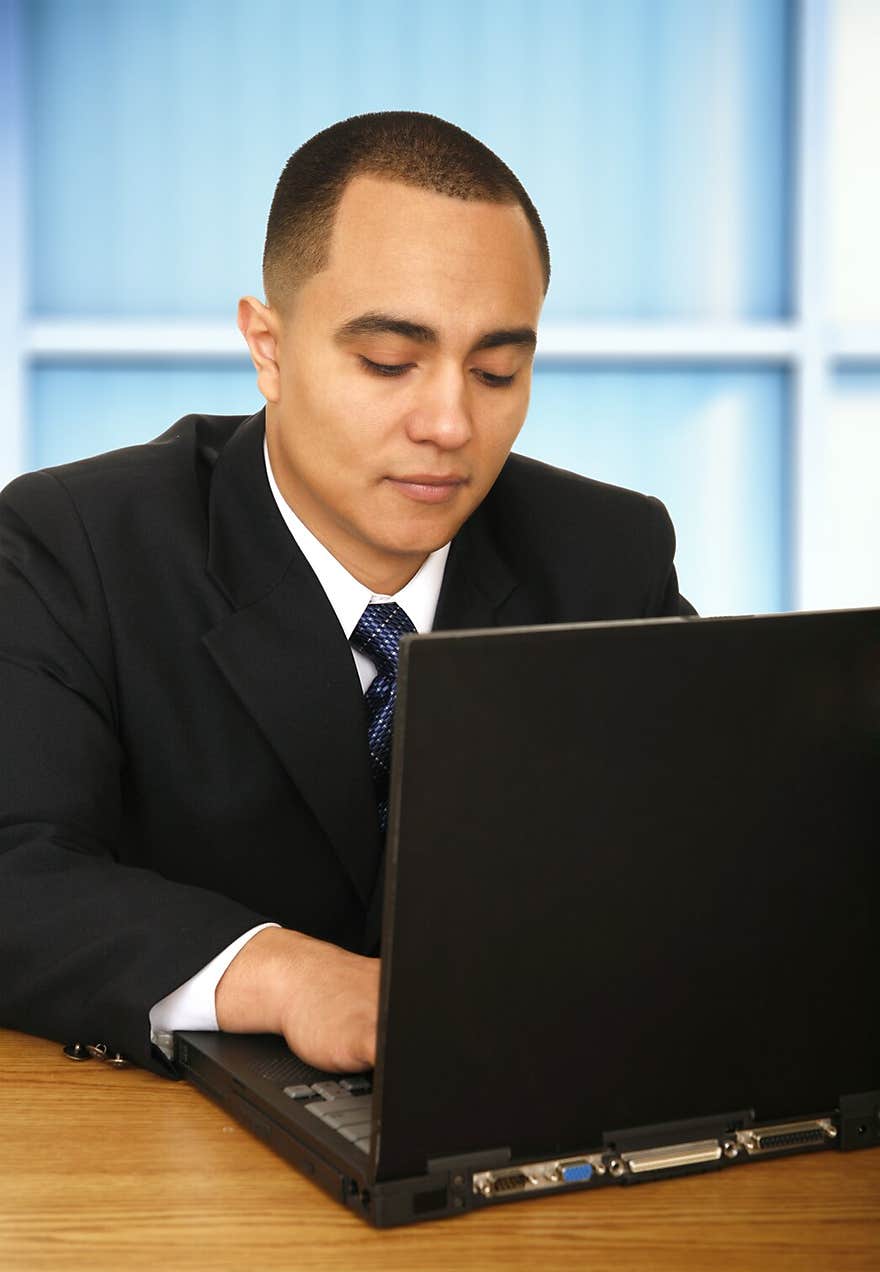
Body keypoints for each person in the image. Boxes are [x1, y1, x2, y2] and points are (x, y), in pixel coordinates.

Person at [0, 111, 692, 1079]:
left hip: (511, 1122)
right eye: (387, 363)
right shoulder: (76, 543)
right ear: (268, 348)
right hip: (174, 1168)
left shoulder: (606, 553)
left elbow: (715, 851)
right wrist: (281, 973)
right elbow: (15, 866)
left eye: (497, 370)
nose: (450, 422)